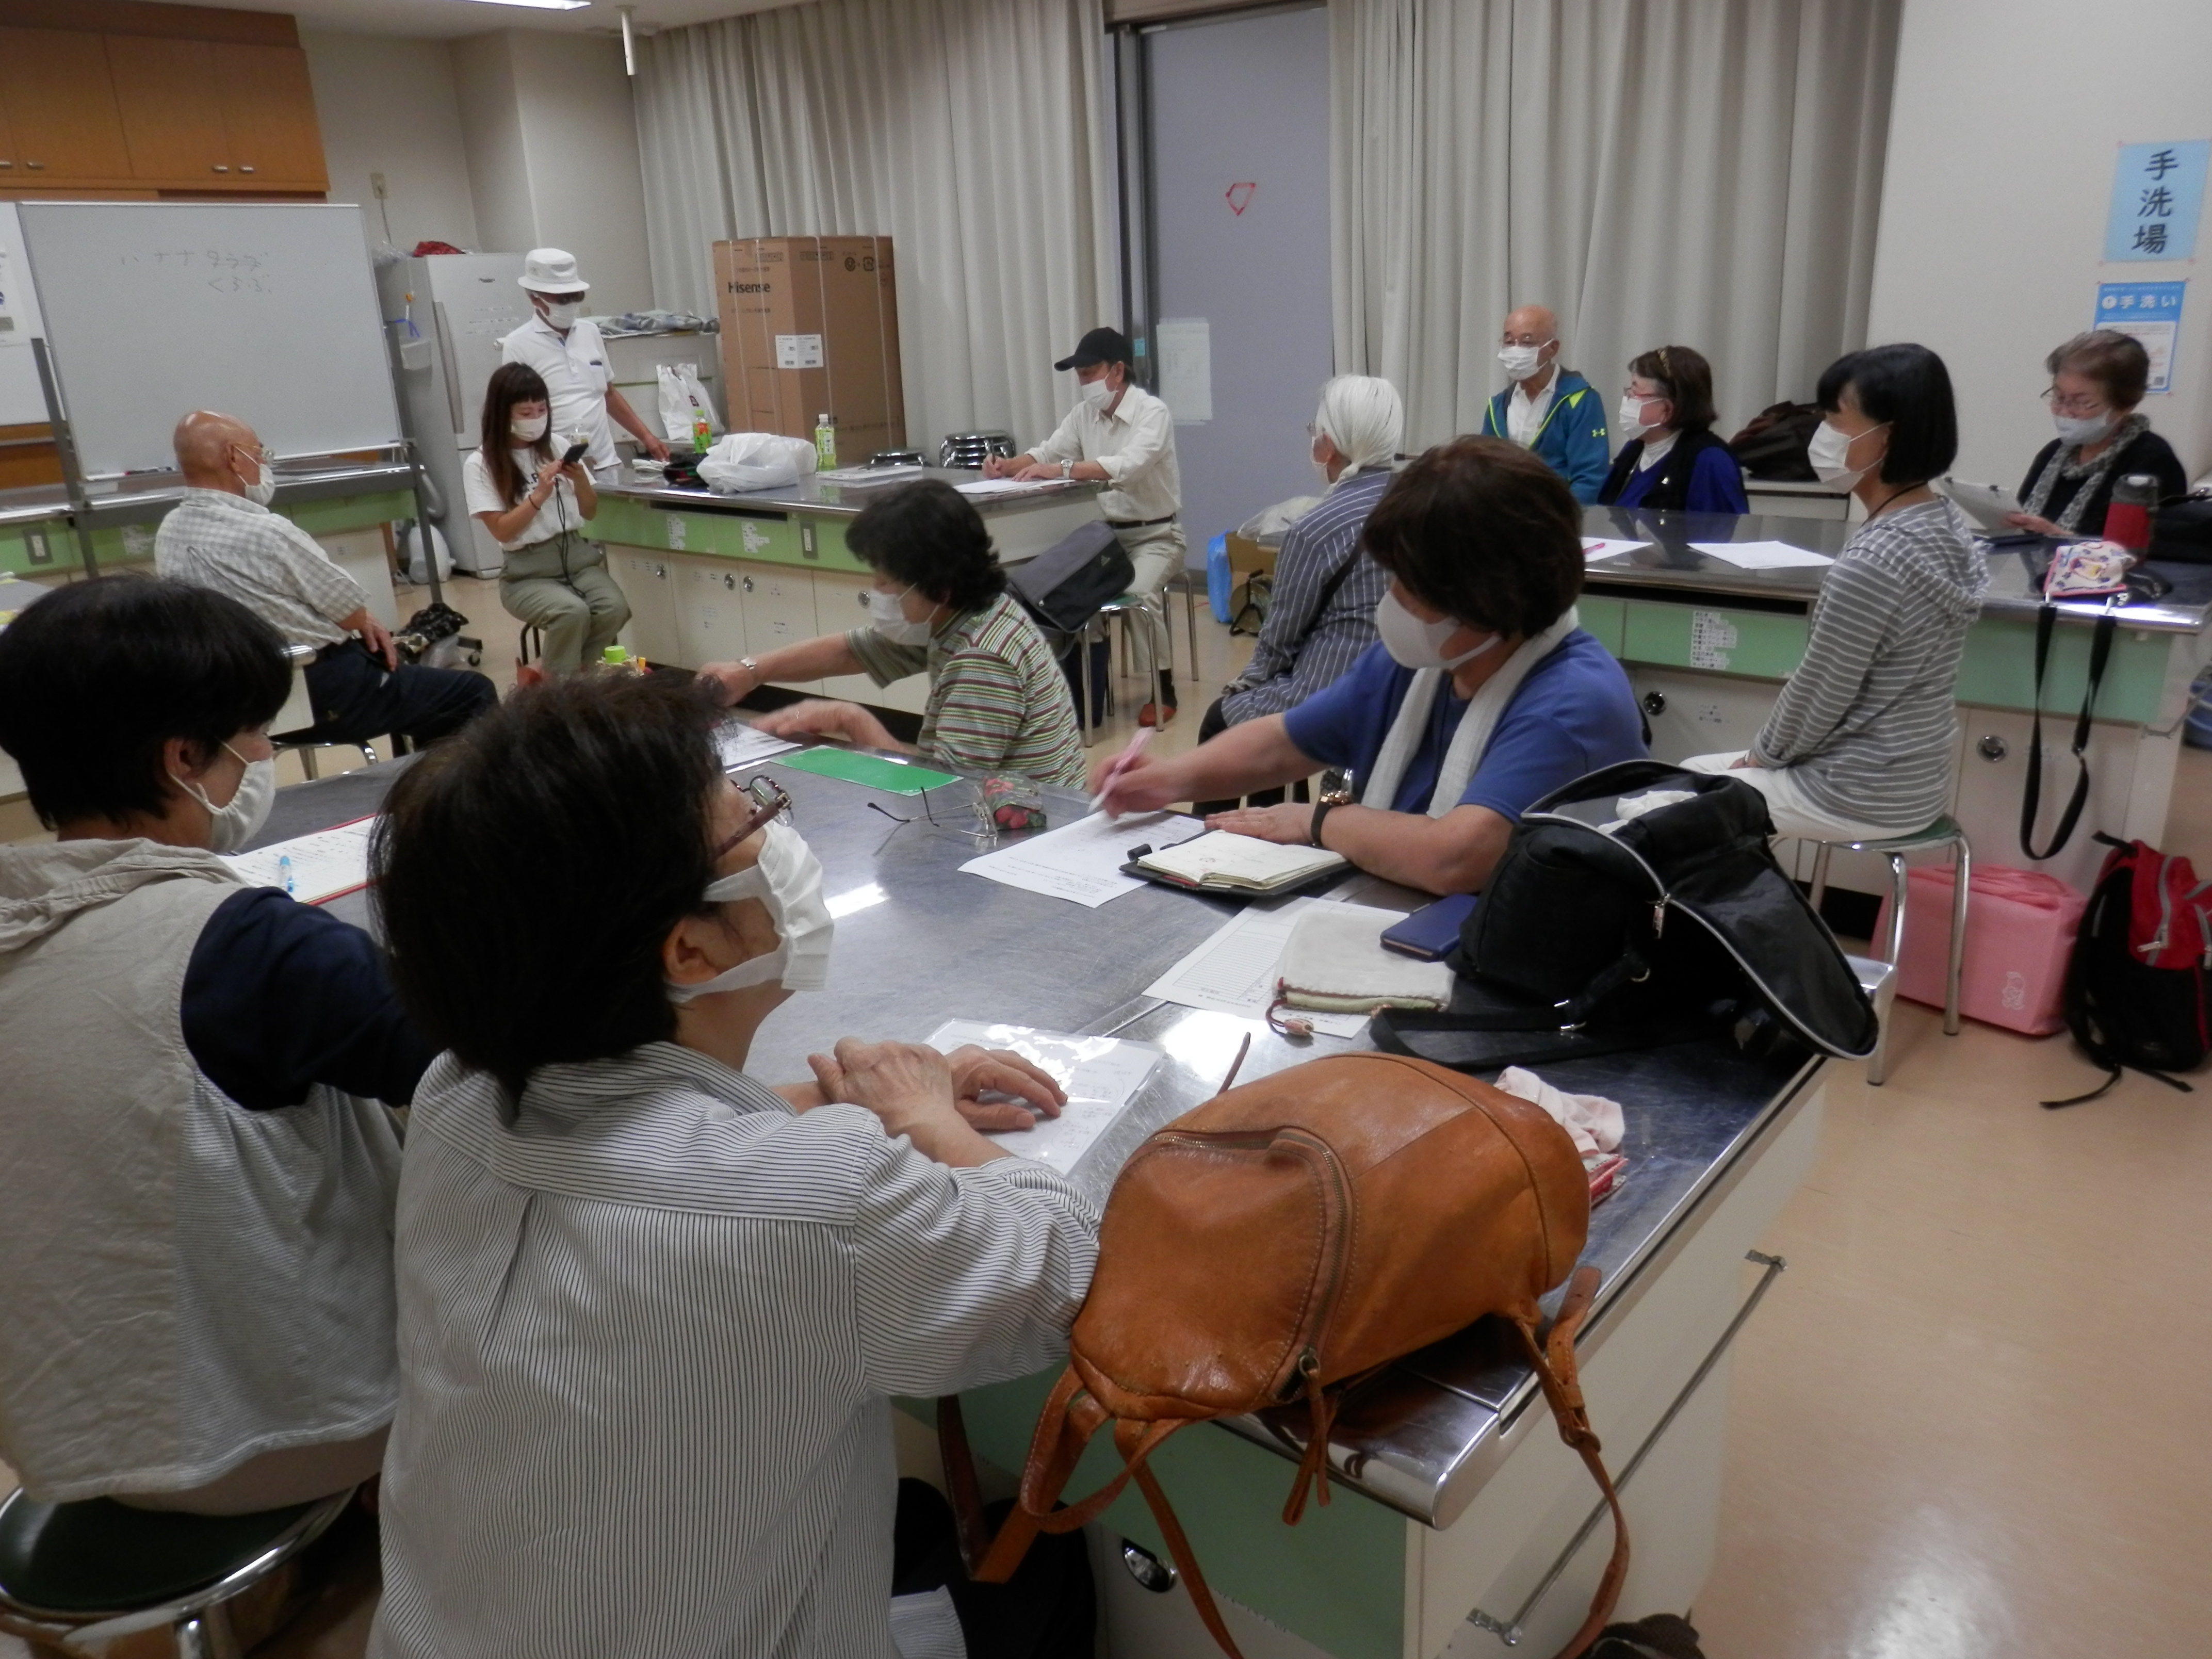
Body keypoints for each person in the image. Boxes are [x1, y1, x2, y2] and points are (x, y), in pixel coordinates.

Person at [363, 674, 1098, 1659]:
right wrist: (928, 1120)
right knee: (1043, 1573)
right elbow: (1057, 1265)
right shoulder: (825, 1203)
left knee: (906, 1512)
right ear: (690, 953)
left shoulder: (454, 1095)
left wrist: (842, 1100)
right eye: (752, 820)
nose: (774, 832)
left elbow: (640, 1143)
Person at [0, 578, 430, 1514]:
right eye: (250, 737)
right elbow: (480, 1066)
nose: (263, 756)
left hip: (61, 1442)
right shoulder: (250, 946)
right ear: (183, 757)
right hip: (267, 1440)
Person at [1098, 438, 1645, 896]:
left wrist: (1320, 822)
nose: (1392, 599)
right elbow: (1285, 742)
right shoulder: (1424, 663)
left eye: (1410, 586)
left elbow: (1456, 858)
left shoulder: (1569, 703)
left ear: (1486, 602)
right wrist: (1167, 778)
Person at [1684, 344, 1986, 840]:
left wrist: (1760, 757)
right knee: (1695, 775)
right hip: (1917, 783)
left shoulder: (1874, 561)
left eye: (1834, 420)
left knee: (1662, 801)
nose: (1821, 434)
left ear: (1887, 436)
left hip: (1854, 789)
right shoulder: (1944, 523)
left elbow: (1820, 693)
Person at [698, 479, 1087, 788]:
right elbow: (854, 651)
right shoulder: (969, 610)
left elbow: (943, 792)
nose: (877, 592)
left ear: (939, 589)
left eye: (886, 582)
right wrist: (750, 671)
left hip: (1029, 827)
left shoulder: (982, 659)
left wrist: (849, 719)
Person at [155, 412, 496, 752]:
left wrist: (359, 618)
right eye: (259, 454)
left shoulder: (170, 530)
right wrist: (363, 618)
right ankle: (455, 783)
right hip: (314, 691)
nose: (263, 464)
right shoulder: (267, 533)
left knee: (409, 686)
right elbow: (349, 613)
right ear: (234, 457)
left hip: (230, 701)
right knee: (471, 691)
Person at [1197, 375, 1405, 814]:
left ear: (1328, 444)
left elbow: (1279, 641)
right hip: (1404, 683)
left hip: (1335, 692)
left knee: (1224, 721)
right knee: (1257, 714)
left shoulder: (1316, 527)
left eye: (1316, 430)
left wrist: (1239, 689)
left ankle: (1212, 841)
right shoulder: (1417, 500)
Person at [986, 326, 1183, 724]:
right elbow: (1048, 452)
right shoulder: (1083, 415)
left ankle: (1163, 688)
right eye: (1080, 376)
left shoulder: (1152, 413)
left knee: (1138, 593)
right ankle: (1090, 692)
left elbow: (1128, 467)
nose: (1084, 383)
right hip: (1103, 539)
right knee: (1072, 597)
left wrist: (1061, 469)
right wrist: (1008, 466)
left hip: (1157, 535)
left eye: (1090, 373)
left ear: (1118, 371)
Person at [465, 363, 629, 673]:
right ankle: (560, 690)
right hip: (527, 574)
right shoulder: (481, 464)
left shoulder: (558, 445)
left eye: (542, 410)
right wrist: (538, 496)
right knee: (571, 613)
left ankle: (562, 677)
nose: (536, 419)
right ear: (503, 414)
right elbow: (502, 531)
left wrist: (580, 480)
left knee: (614, 609)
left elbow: (590, 511)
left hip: (578, 560)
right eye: (526, 413)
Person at [499, 248, 670, 481]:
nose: (569, 304)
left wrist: (647, 437)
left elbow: (608, 394)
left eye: (575, 296)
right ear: (534, 298)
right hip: (557, 469)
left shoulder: (591, 333)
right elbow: (515, 415)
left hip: (606, 464)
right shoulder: (518, 344)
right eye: (561, 299)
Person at [2007, 330, 2188, 539]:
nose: (2064, 411)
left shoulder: (2152, 460)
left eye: (2082, 402)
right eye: (2058, 397)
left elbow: (2155, 549)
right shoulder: (2053, 453)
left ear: (2125, 404)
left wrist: (2061, 539)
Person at [1479, 305, 1609, 503]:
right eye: (1509, 342)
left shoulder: (1579, 400)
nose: (1515, 350)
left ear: (1552, 349)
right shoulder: (1497, 407)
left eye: (1526, 342)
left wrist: (1564, 518)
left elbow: (1590, 477)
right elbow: (1484, 471)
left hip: (1558, 515)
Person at [1597, 346, 1750, 513]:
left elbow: (1717, 528)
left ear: (1667, 410)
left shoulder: (1710, 461)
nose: (1627, 399)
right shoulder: (1634, 450)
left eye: (1635, 392)